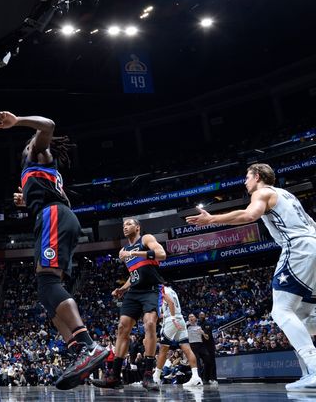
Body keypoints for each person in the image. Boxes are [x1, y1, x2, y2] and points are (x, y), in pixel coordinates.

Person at [0, 111, 106, 390]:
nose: (30, 144)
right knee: (47, 293)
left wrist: (17, 121)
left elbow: (49, 125)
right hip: (57, 215)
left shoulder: (38, 152)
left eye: (32, 142)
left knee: (48, 282)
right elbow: (53, 194)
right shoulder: (37, 172)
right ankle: (79, 351)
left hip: (54, 216)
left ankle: (89, 346)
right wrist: (27, 201)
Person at [186, 163, 316, 392]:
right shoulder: (288, 195)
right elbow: (312, 224)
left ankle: (314, 369)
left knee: (281, 310)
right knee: (303, 318)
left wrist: (212, 220)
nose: (245, 182)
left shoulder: (262, 192)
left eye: (247, 177)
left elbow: (249, 215)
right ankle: (308, 374)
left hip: (297, 247)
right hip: (312, 245)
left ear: (257, 177)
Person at [92, 218, 166, 391]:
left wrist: (135, 253)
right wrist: (123, 289)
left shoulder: (145, 239)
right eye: (123, 225)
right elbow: (135, 274)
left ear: (137, 227)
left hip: (151, 289)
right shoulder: (123, 250)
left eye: (129, 224)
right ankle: (114, 377)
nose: (125, 227)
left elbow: (162, 254)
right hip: (134, 292)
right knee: (122, 327)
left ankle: (148, 375)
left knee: (149, 324)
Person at [152, 285, 202, 386]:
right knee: (187, 349)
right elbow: (170, 304)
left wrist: (173, 319)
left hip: (172, 320)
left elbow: (170, 302)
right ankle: (196, 377)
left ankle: (156, 377)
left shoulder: (161, 290)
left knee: (163, 349)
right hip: (181, 319)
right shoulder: (172, 290)